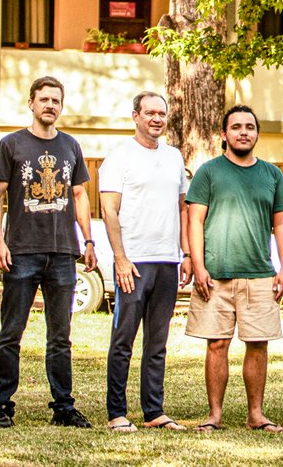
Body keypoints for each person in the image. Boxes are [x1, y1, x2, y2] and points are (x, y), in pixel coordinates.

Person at [0, 76, 96, 429]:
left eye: (56, 100)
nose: (50, 105)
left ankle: (63, 407)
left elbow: (79, 195)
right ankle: (2, 405)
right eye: (44, 99)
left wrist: (89, 241)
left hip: (63, 253)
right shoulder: (11, 144)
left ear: (61, 106)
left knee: (60, 337)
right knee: (11, 333)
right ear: (31, 103)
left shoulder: (70, 145)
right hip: (21, 252)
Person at [187, 105, 283, 432]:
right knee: (216, 344)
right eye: (236, 127)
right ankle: (214, 415)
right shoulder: (209, 172)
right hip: (215, 276)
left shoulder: (272, 174)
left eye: (249, 127)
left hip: (260, 275)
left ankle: (256, 415)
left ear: (257, 133)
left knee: (258, 344)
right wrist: (199, 266)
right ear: (224, 134)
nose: (243, 132)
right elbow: (195, 220)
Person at [99, 91, 191, 433]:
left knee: (157, 342)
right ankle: (117, 413)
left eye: (161, 114)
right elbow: (109, 210)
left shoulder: (174, 157)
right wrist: (120, 259)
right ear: (135, 116)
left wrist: (186, 254)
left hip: (167, 261)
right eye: (150, 113)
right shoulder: (119, 156)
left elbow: (182, 208)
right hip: (134, 262)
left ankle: (154, 411)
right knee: (123, 340)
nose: (156, 119)